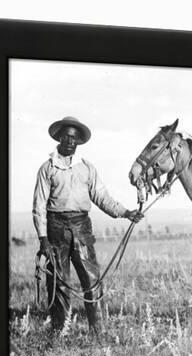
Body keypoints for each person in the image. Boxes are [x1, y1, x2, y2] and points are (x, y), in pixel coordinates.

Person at [32, 116, 143, 333]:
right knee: (58, 282)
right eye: (66, 137)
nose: (70, 141)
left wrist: (125, 213)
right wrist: (43, 239)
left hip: (82, 228)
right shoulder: (47, 168)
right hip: (55, 229)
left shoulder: (87, 168)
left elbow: (102, 197)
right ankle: (59, 332)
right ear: (59, 138)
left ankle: (98, 332)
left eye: (74, 138)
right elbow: (38, 205)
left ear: (78, 142)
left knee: (91, 279)